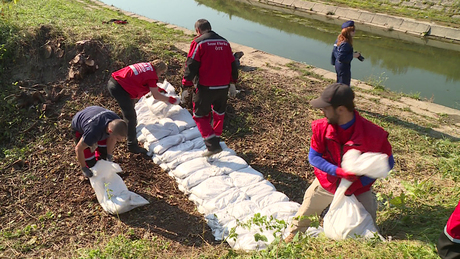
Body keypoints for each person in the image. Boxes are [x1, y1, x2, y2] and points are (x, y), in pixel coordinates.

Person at [285, 83, 395, 242]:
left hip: (358, 186)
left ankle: (365, 242)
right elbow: (314, 157)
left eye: (325, 108)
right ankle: (294, 235)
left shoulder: (373, 134)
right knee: (308, 207)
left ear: (341, 109)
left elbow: (388, 163)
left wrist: (360, 182)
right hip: (328, 181)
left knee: (367, 219)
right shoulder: (322, 127)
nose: (322, 111)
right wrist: (338, 172)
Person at [180, 19, 238, 157]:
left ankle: (212, 145)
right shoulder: (225, 42)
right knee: (219, 113)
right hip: (223, 86)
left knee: (199, 115)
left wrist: (186, 85)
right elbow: (232, 64)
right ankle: (216, 140)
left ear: (198, 30)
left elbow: (191, 64)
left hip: (206, 86)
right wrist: (233, 83)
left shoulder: (199, 42)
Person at [108, 59, 180, 155]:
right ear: (158, 69)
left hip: (115, 82)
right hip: (121, 88)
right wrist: (169, 99)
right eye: (161, 73)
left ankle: (126, 128)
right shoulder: (152, 75)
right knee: (130, 117)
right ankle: (132, 145)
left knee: (130, 110)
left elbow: (141, 79)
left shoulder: (146, 66)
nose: (160, 75)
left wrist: (157, 88)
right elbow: (156, 96)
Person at [71, 106, 128, 178]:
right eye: (117, 138)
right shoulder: (93, 132)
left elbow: (112, 138)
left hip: (95, 113)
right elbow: (78, 149)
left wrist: (109, 155)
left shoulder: (117, 122)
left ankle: (101, 159)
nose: (119, 141)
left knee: (104, 151)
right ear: (110, 131)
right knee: (90, 160)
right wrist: (84, 168)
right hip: (80, 124)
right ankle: (91, 167)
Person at [331, 20, 363, 86]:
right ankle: (341, 95)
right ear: (349, 32)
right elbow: (341, 58)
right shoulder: (346, 43)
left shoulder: (339, 39)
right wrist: (353, 55)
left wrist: (334, 63)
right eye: (353, 30)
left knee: (339, 82)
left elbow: (334, 51)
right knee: (344, 84)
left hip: (338, 64)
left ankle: (338, 94)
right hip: (343, 66)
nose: (355, 32)